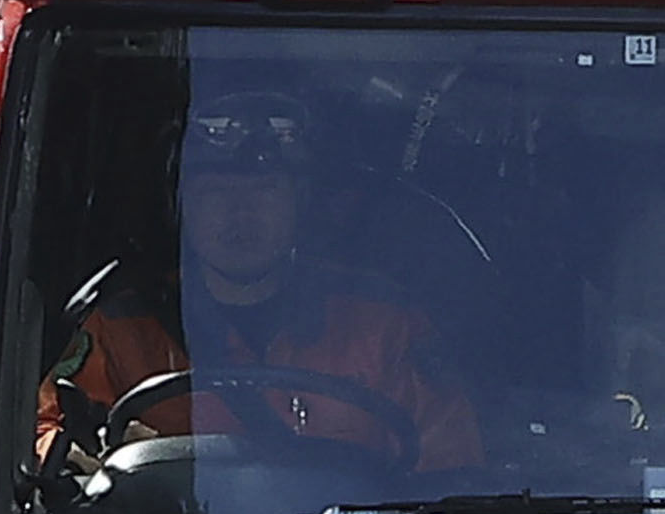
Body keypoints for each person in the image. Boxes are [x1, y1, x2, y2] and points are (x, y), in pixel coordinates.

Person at [53, 92, 484, 483]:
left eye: (267, 190)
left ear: (302, 201)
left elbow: (451, 471)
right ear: (180, 206)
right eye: (215, 191)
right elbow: (46, 435)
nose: (240, 212)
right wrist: (91, 459)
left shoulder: (385, 323)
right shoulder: (121, 322)